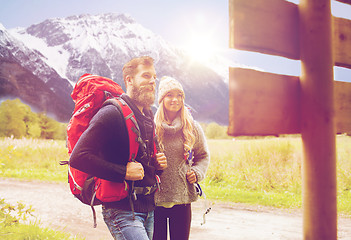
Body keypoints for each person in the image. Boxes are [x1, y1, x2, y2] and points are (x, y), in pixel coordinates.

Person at [69, 56, 167, 240]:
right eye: (146, 76)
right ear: (129, 80)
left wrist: (156, 165)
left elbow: (139, 160)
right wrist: (123, 172)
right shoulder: (112, 112)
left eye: (154, 76)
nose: (153, 81)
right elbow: (79, 157)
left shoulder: (146, 114)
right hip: (122, 211)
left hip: (148, 208)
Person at [153, 76, 210, 240]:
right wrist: (154, 163)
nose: (175, 99)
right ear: (162, 99)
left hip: (182, 199)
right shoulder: (151, 127)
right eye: (170, 95)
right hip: (156, 199)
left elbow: (203, 156)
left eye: (179, 95)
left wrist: (197, 172)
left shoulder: (192, 127)